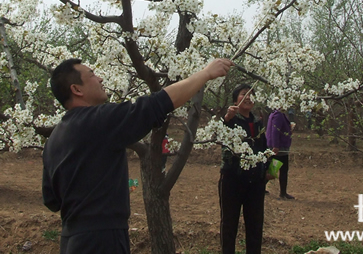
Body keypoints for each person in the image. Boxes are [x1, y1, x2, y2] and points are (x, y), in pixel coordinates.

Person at [42, 58, 233, 254]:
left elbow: (52, 201)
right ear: (77, 89)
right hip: (102, 241)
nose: (100, 79)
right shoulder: (98, 120)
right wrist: (205, 74)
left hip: (70, 240)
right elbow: (159, 103)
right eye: (92, 75)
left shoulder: (53, 140)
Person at [219, 83, 268, 254]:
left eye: (250, 94)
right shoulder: (230, 120)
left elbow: (264, 149)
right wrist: (227, 118)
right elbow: (221, 136)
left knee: (255, 225)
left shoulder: (258, 123)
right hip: (232, 180)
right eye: (243, 94)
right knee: (229, 224)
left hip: (255, 183)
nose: (247, 97)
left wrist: (268, 169)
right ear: (235, 100)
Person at [266, 109, 295, 199]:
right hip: (280, 148)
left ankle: (261, 188)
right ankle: (283, 193)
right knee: (281, 169)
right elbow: (275, 131)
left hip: (280, 147)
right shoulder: (278, 115)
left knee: (273, 169)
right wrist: (276, 146)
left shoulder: (276, 114)